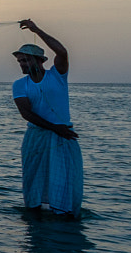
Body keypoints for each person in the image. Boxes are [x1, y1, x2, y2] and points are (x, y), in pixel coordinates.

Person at [12, 19, 82, 217]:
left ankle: (64, 217)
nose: (22, 64)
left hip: (62, 137)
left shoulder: (56, 76)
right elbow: (26, 113)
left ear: (40, 61)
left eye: (26, 60)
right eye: (20, 61)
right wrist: (54, 128)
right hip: (37, 136)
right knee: (33, 179)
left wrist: (36, 29)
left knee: (63, 179)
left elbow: (62, 52)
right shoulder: (20, 84)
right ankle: (34, 219)